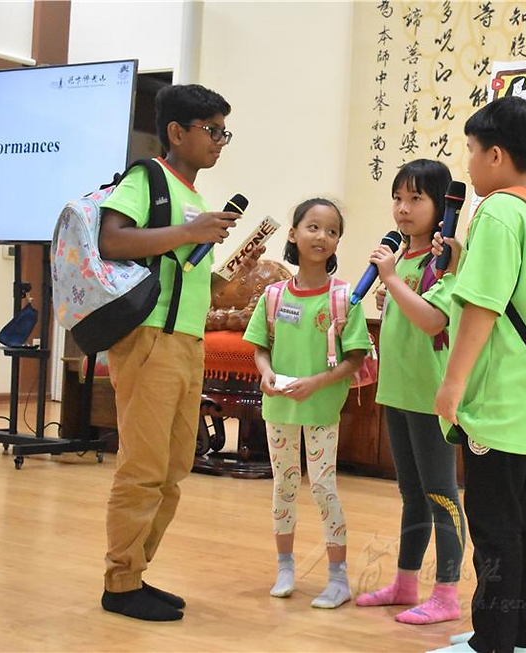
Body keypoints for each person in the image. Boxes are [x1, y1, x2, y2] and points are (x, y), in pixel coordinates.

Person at [98, 83, 263, 621]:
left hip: (187, 343)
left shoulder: (191, 197)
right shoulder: (147, 177)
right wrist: (187, 231)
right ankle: (119, 583)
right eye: (211, 131)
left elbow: (184, 272)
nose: (220, 142)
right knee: (144, 468)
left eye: (224, 132)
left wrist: (228, 282)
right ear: (176, 132)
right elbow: (113, 240)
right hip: (149, 339)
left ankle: (135, 575)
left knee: (172, 469)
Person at [429, 96, 526, 653]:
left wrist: (452, 384)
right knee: (519, 522)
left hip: (496, 400)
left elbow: (482, 307)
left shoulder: (499, 211)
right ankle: (515, 638)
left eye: (472, 150)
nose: (468, 163)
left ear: (497, 154)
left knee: (493, 530)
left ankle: (492, 643)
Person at [244, 198, 371, 609]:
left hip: (320, 409)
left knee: (322, 486)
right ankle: (285, 567)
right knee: (283, 485)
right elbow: (261, 349)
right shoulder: (273, 296)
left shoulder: (343, 298)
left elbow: (356, 357)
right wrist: (265, 372)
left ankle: (338, 578)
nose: (322, 237)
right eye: (313, 227)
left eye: (332, 231)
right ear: (293, 233)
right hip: (279, 407)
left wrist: (317, 383)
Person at [354, 159, 465, 626]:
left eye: (416, 199)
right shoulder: (401, 259)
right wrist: (391, 285)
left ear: (440, 207)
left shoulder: (447, 260)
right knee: (411, 495)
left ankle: (448, 594)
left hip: (430, 395)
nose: (403, 209)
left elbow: (434, 320)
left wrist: (393, 281)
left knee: (442, 494)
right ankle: (404, 582)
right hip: (398, 391)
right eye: (398, 198)